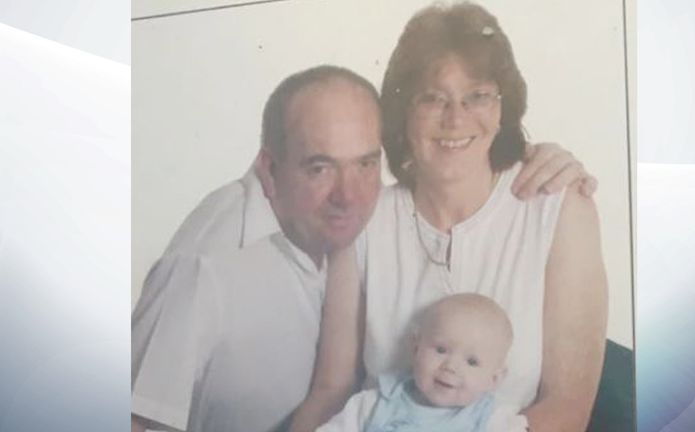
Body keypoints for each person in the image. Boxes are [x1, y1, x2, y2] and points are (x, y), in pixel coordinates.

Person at [131, 65, 591, 432]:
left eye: (366, 164)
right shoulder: (207, 259)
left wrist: (528, 153)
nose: (348, 195)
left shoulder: (351, 235)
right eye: (319, 168)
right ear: (269, 169)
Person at [296, 3, 609, 432]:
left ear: (504, 107)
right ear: (402, 112)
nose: (455, 118)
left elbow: (568, 410)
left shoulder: (557, 207)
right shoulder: (364, 220)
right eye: (432, 97)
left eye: (477, 95)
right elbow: (330, 392)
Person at [317, 294, 529, 432]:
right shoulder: (378, 401)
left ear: (494, 379)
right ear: (415, 347)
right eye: (441, 350)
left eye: (472, 362)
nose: (451, 366)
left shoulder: (492, 419)